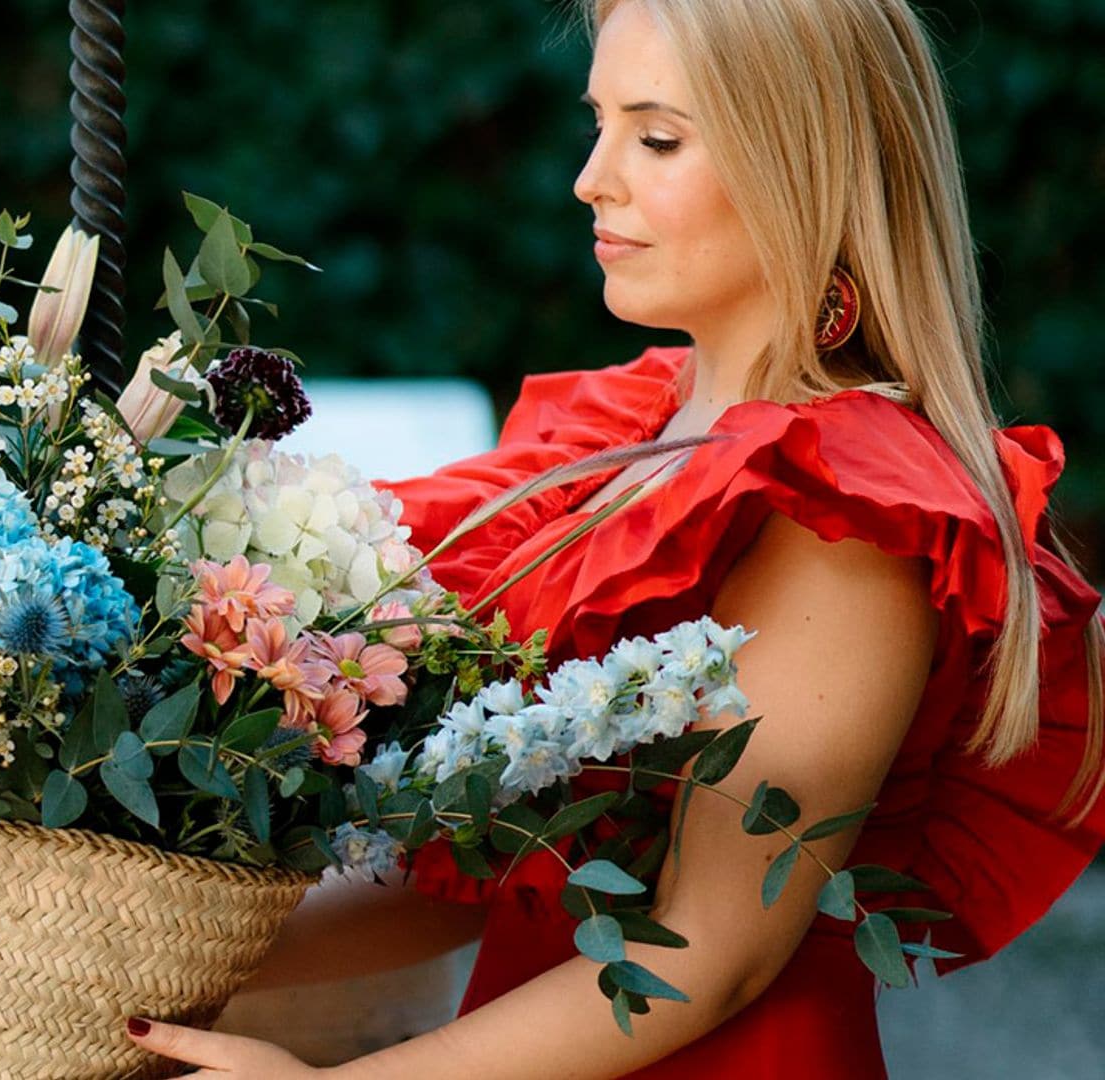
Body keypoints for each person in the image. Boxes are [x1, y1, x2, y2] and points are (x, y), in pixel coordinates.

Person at [123, 1, 1105, 1076]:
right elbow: (499, 869)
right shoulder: (633, 432)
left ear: (803, 168)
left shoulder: (848, 508)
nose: (594, 177)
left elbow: (714, 948)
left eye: (657, 135)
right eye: (598, 122)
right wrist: (135, 956)